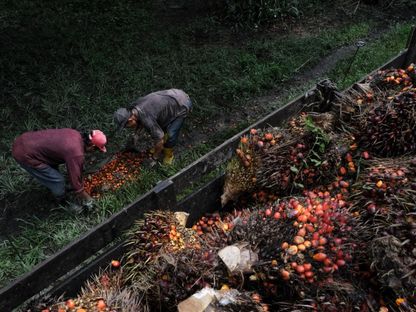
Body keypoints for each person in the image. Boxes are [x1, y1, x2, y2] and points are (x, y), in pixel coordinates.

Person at [12, 128, 107, 208]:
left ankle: (61, 191)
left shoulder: (75, 134)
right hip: (25, 154)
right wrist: (88, 200)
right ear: (91, 145)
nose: (94, 152)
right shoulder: (76, 153)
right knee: (58, 180)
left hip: (25, 139)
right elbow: (76, 183)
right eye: (96, 149)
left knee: (54, 169)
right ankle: (62, 201)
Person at [113, 89, 192, 165]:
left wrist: (154, 158)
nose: (128, 127)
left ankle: (168, 155)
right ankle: (159, 147)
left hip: (182, 103)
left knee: (171, 134)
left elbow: (159, 139)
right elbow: (139, 122)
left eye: (127, 126)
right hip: (172, 97)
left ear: (130, 119)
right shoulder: (135, 108)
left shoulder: (146, 118)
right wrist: (135, 137)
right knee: (160, 127)